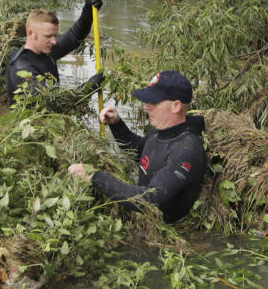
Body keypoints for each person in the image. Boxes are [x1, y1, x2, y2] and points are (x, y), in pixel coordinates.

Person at [68, 70, 207, 224]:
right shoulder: (159, 130)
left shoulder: (187, 150)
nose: (146, 107)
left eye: (154, 102)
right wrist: (117, 124)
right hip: (144, 217)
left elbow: (149, 198)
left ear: (176, 106)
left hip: (167, 232)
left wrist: (94, 177)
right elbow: (139, 152)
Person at [5, 0, 104, 105]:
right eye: (48, 36)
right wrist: (90, 86)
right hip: (34, 122)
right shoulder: (22, 68)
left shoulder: (46, 51)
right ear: (30, 33)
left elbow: (75, 35)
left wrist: (88, 10)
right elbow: (53, 103)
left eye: (55, 36)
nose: (54, 41)